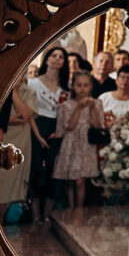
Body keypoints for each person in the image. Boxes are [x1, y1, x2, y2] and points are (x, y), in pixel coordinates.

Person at [0, 71, 42, 223]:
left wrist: (13, 92)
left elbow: (26, 115)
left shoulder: (29, 92)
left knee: (10, 181)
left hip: (19, 142)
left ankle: (1, 218)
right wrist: (10, 119)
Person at [29, 46, 69, 222]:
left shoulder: (66, 88)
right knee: (37, 170)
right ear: (46, 60)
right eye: (54, 56)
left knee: (55, 172)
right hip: (37, 127)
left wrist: (59, 131)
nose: (57, 59)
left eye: (61, 57)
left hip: (57, 130)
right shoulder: (34, 83)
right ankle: (35, 215)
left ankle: (47, 215)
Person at [53, 72, 105, 209]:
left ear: (91, 86)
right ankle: (71, 208)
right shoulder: (66, 105)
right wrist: (79, 108)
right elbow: (69, 126)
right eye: (79, 85)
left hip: (86, 145)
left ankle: (79, 210)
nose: (82, 89)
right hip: (71, 144)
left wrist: (92, 107)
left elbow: (97, 125)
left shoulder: (98, 103)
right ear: (73, 86)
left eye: (86, 85)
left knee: (80, 181)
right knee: (71, 180)